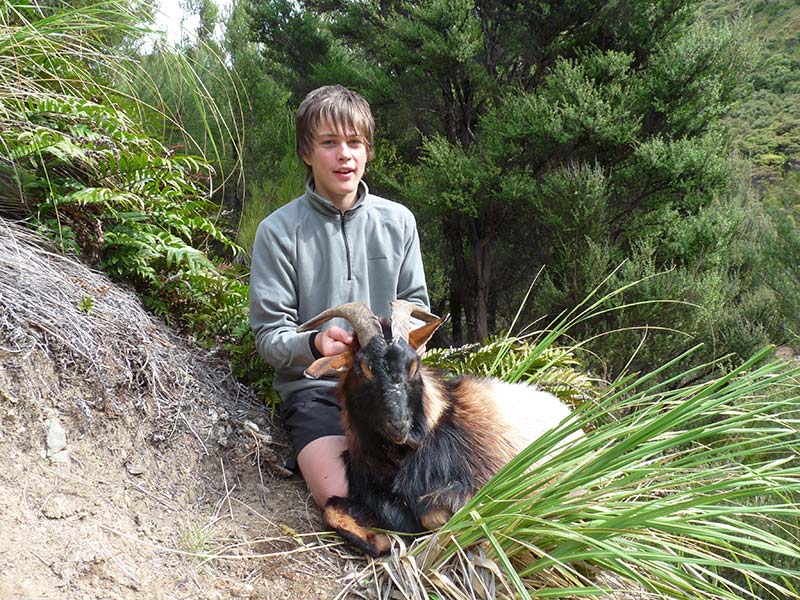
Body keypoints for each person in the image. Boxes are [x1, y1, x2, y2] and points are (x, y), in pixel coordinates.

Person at [249, 85, 430, 508]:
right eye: (329, 143)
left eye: (354, 142)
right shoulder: (278, 232)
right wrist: (314, 344)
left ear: (368, 151)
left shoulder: (399, 221)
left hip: (395, 386)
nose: (344, 155)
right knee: (346, 501)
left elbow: (418, 308)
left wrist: (406, 344)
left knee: (434, 488)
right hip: (317, 393)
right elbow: (270, 337)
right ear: (306, 153)